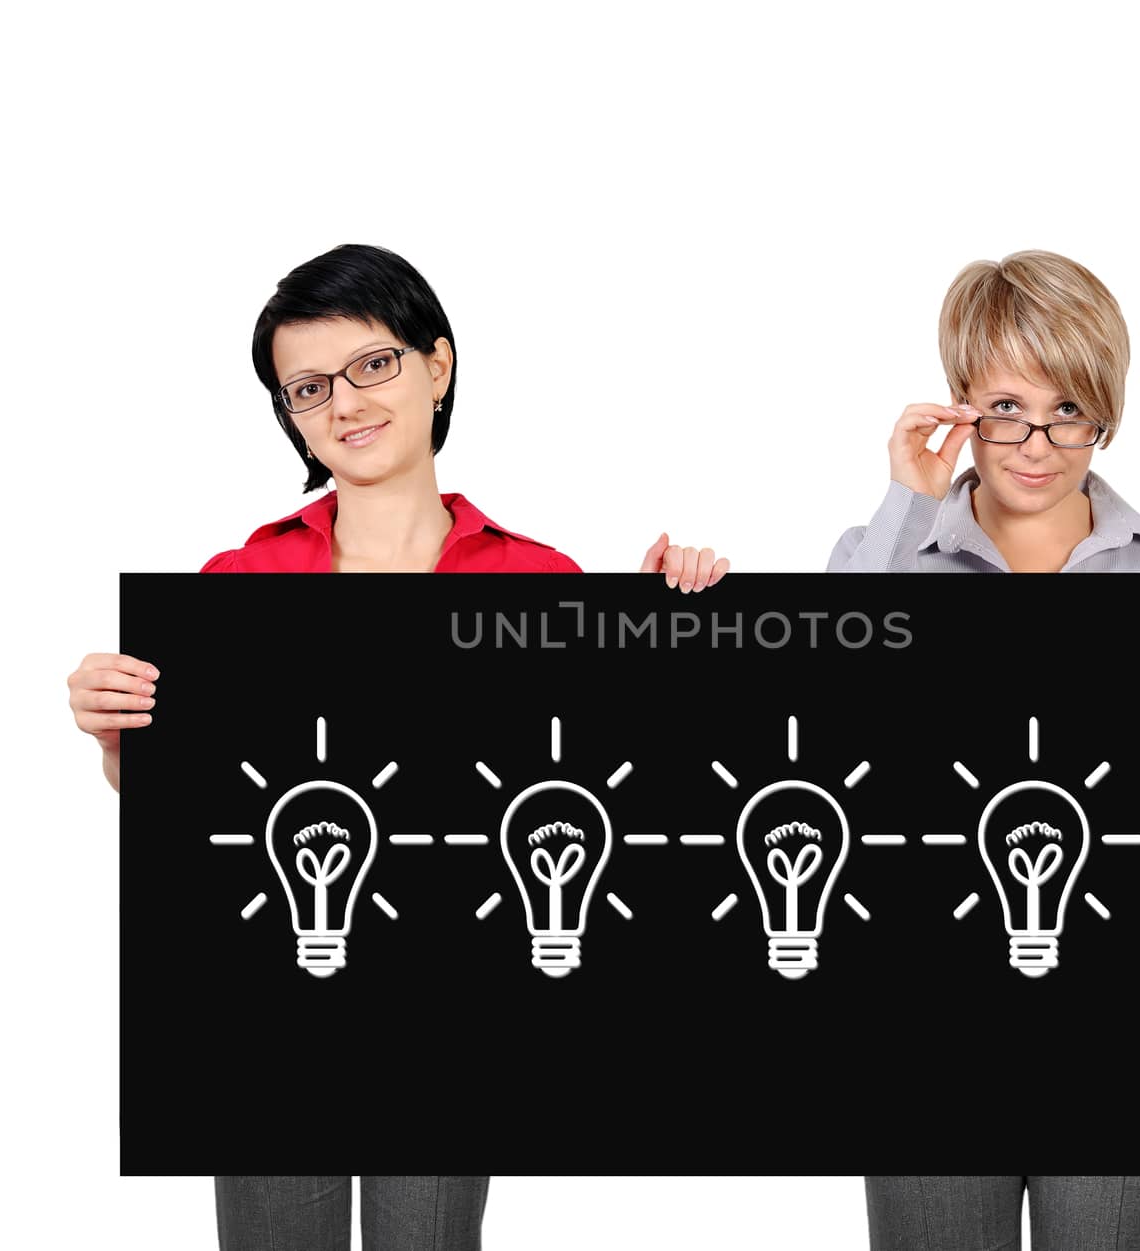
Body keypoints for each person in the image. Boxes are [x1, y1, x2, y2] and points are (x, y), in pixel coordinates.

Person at [66, 243, 728, 1251]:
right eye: (308, 387)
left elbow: (599, 788)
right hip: (267, 1020)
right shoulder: (239, 583)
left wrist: (663, 630)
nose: (345, 405)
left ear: (437, 365)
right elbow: (192, 803)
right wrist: (118, 730)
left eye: (372, 365)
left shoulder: (535, 583)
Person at [829, 250, 1140, 1251]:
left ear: (1106, 414)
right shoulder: (884, 554)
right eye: (1004, 407)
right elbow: (832, 752)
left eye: (1068, 410)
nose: (1036, 442)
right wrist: (904, 508)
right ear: (959, 403)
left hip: (1119, 1037)